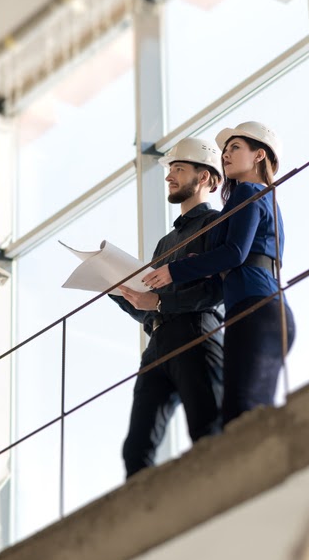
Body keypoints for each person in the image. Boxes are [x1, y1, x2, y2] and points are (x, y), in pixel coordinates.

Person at [142, 121, 295, 426]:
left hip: (256, 308)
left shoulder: (250, 191)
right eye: (225, 149)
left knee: (242, 412)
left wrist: (174, 270)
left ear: (259, 156)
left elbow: (234, 253)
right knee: (239, 412)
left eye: (235, 147)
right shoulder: (255, 198)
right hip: (255, 309)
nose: (225, 154)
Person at [112, 137, 226, 478]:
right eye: (170, 169)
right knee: (136, 449)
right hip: (158, 343)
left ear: (204, 177)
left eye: (178, 168)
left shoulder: (214, 224)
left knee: (208, 430)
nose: (169, 176)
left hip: (195, 334)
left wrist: (160, 300)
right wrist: (122, 293)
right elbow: (151, 307)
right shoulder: (166, 242)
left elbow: (217, 288)